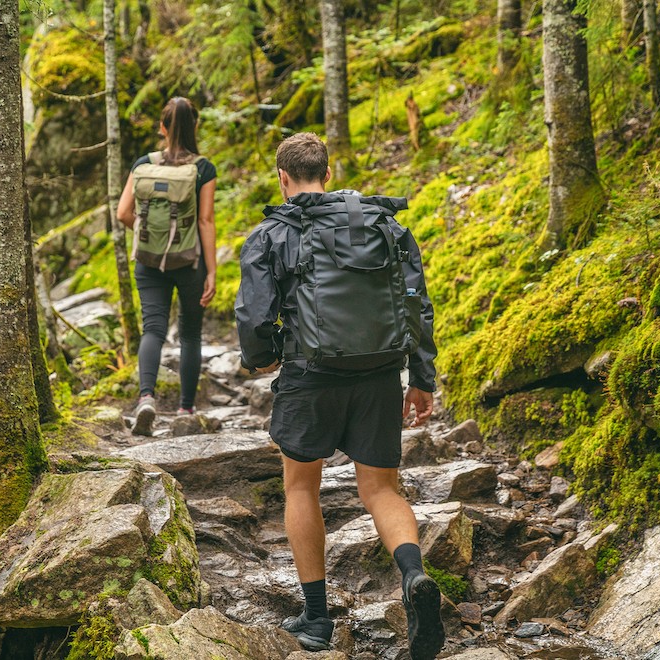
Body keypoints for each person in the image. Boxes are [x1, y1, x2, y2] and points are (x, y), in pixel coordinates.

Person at [235, 132, 445, 659]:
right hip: (378, 374)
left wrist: (261, 358)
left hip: (308, 376)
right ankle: (414, 576)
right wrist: (421, 377)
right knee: (381, 489)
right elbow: (417, 304)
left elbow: (256, 317)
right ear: (328, 175)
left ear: (283, 178)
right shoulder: (385, 226)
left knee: (302, 488)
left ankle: (317, 618)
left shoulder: (270, 235)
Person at [118, 97, 217, 435]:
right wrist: (213, 271)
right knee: (190, 333)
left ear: (162, 128)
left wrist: (152, 238)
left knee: (153, 329)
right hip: (190, 262)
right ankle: (186, 409)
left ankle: (146, 398)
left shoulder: (143, 164)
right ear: (196, 126)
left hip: (148, 261)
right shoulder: (203, 168)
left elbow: (123, 213)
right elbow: (205, 221)